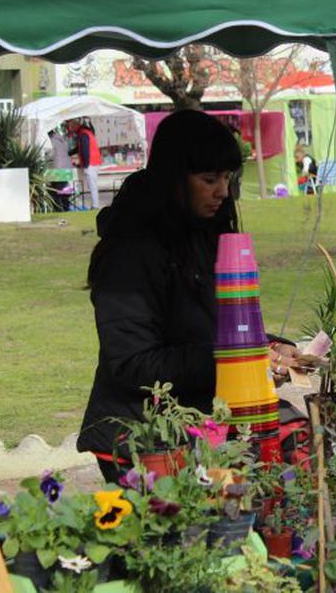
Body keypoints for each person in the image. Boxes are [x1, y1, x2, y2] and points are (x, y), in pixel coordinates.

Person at [77, 110, 246, 483]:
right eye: (209, 179)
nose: (222, 191)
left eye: (227, 178)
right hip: (138, 436)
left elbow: (211, 326)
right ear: (174, 179)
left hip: (193, 425)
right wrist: (230, 358)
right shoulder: (131, 253)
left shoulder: (203, 232)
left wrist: (261, 348)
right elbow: (132, 362)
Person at [68, 117, 103, 209]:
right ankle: (94, 204)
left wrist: (86, 164)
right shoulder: (85, 132)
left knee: (92, 185)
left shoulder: (83, 134)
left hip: (91, 162)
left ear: (76, 126)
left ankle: (95, 205)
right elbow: (79, 148)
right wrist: (69, 153)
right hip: (94, 161)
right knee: (92, 184)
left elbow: (85, 149)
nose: (71, 130)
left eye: (71, 127)